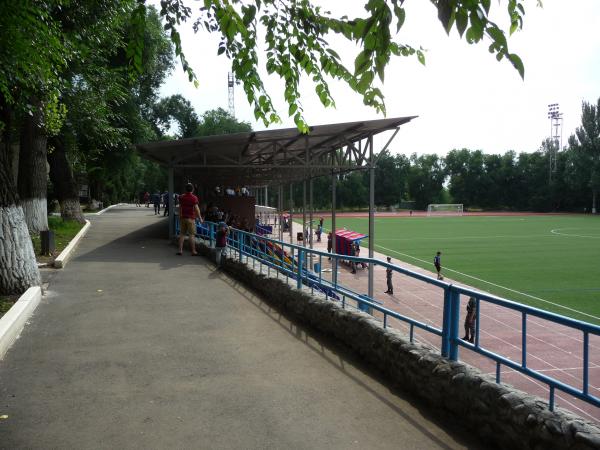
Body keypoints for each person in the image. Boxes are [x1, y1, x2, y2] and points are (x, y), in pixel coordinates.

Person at [177, 183, 203, 256]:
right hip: (191, 218)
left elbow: (180, 207)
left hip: (183, 218)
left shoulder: (181, 197)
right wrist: (200, 218)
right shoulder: (194, 198)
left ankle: (180, 250)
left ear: (185, 189)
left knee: (182, 234)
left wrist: (179, 216)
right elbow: (197, 209)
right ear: (193, 189)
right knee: (191, 235)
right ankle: (193, 251)